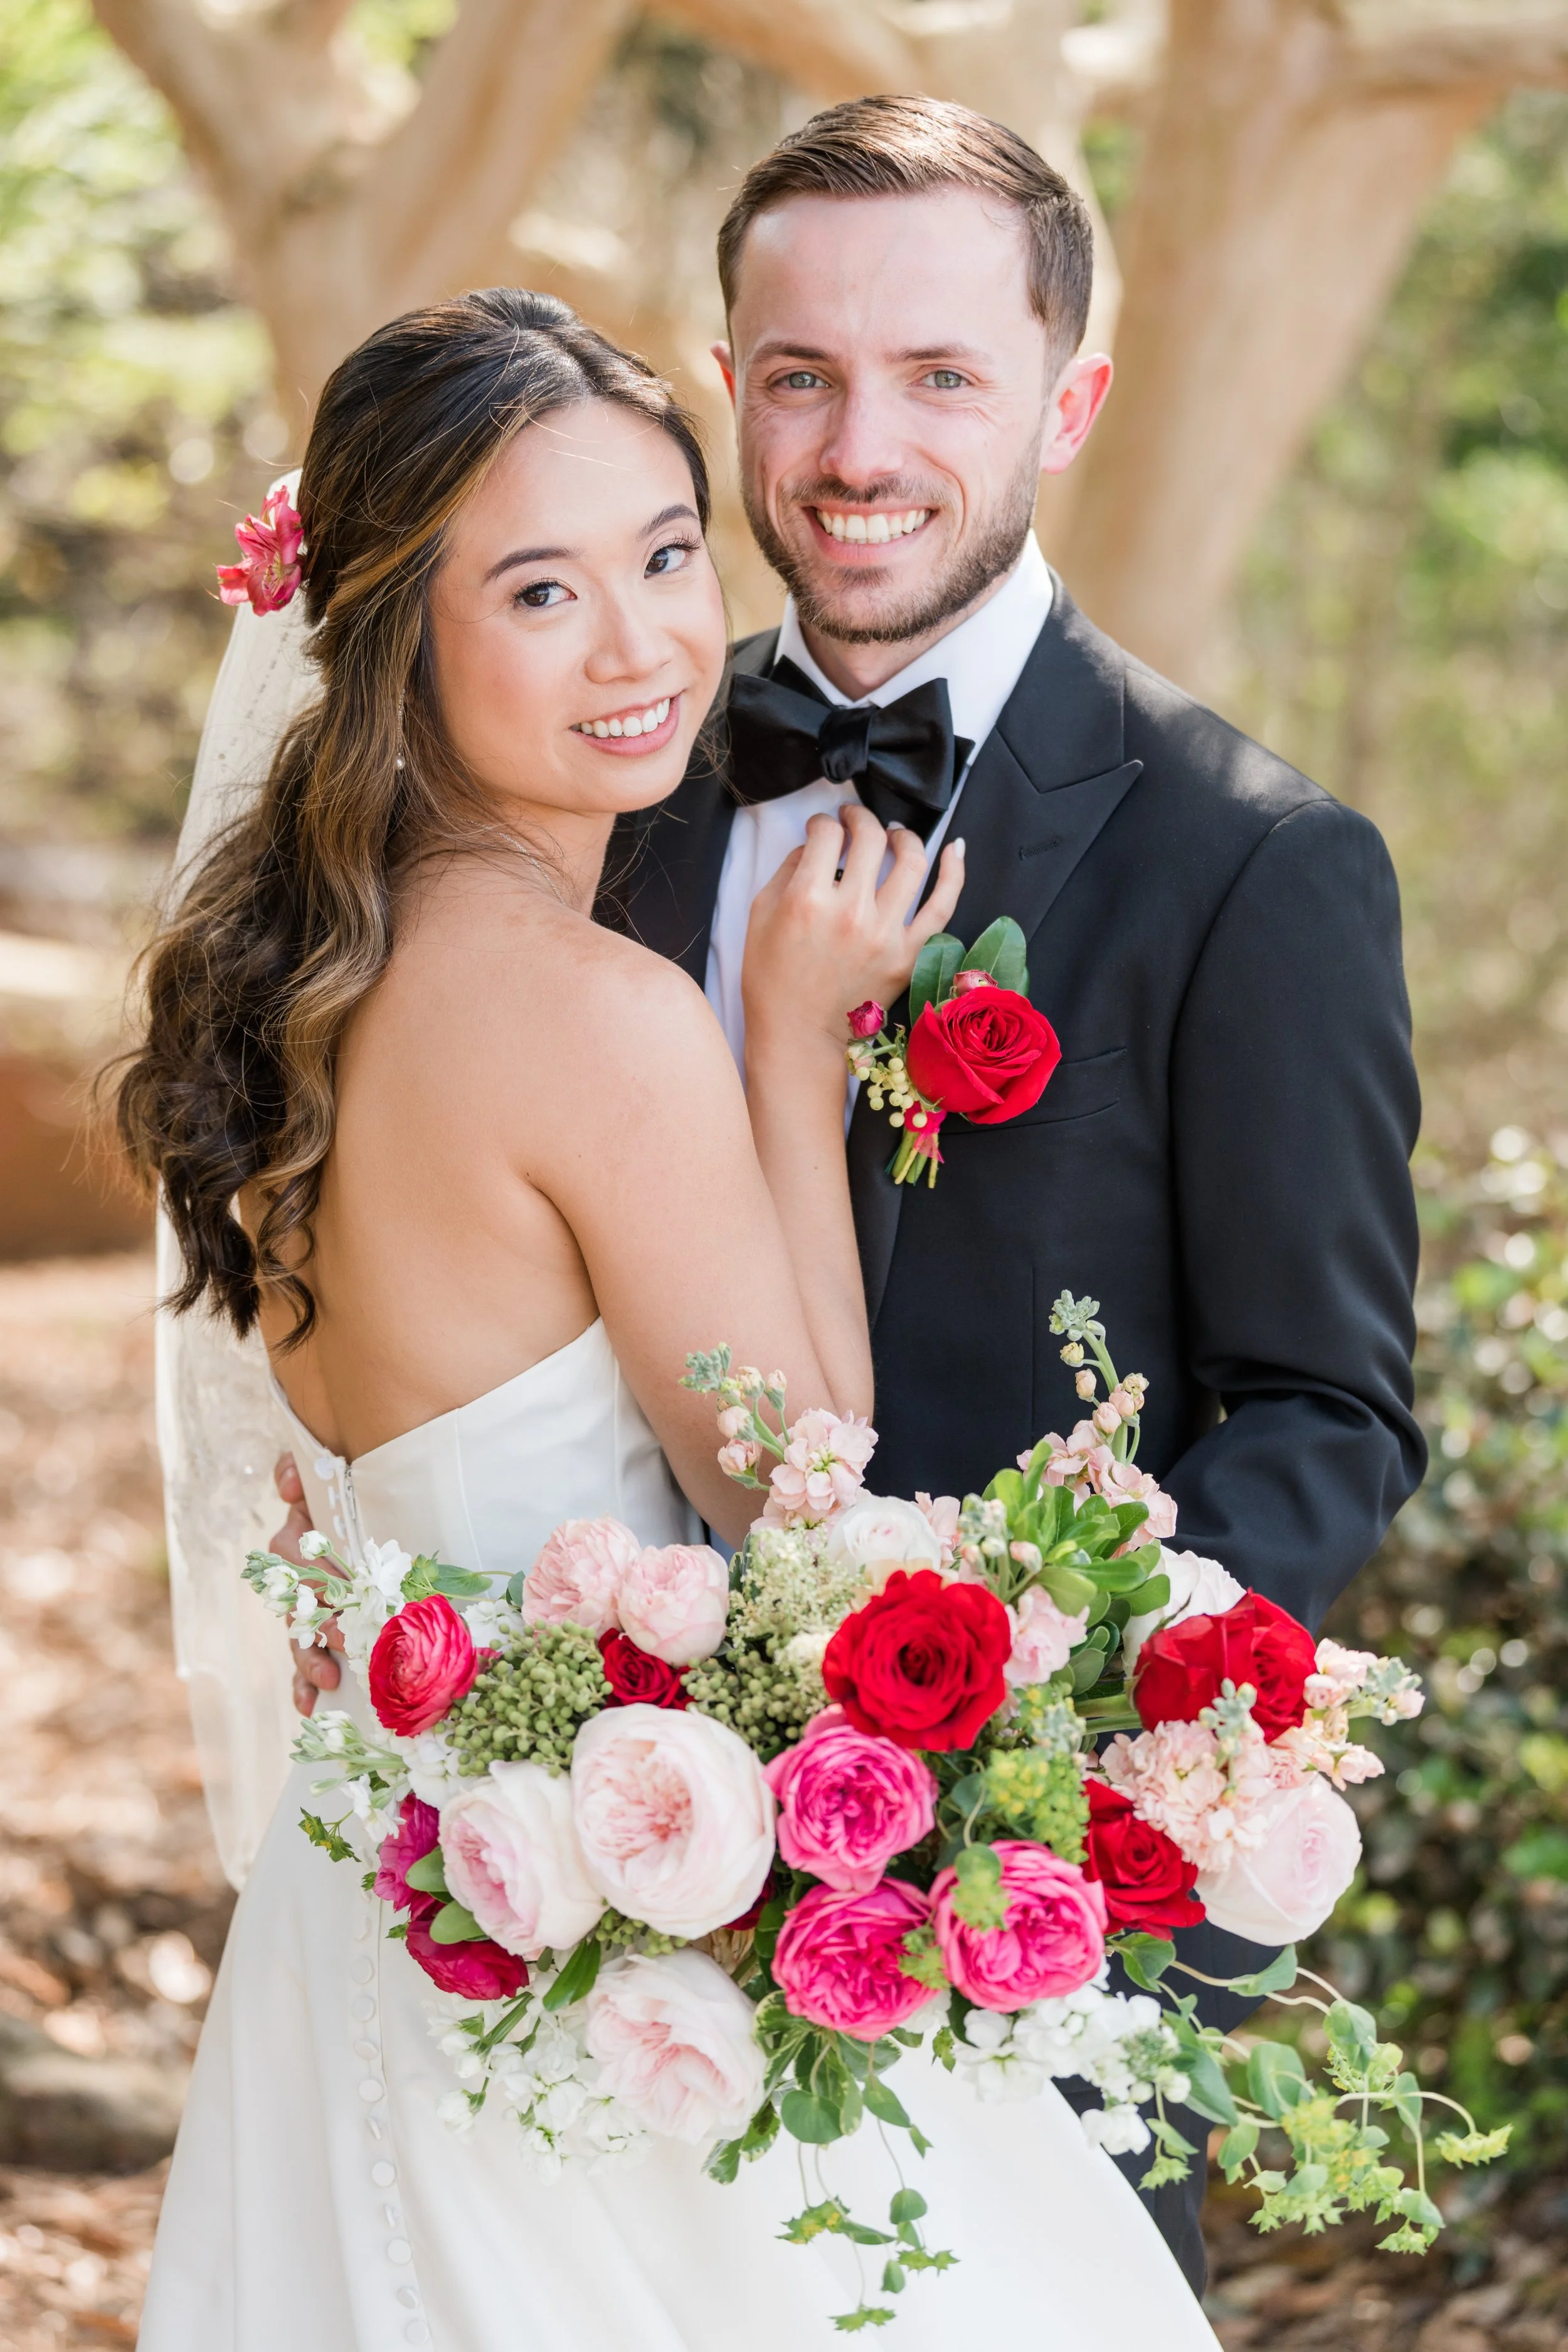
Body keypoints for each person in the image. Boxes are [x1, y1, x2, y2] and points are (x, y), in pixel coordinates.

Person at [124, 287, 1223, 2349]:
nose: (639, 645)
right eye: (541, 590)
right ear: (397, 636)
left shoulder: (303, 986)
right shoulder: (591, 1011)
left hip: (368, 1908)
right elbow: (794, 1478)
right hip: (590, 1944)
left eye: (661, 554)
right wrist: (789, 1049)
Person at [590, 93, 1426, 2292]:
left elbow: (1323, 1412)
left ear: (1069, 398)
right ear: (728, 387)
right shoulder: (597, 786)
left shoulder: (1251, 861)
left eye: (940, 376)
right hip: (585, 1871)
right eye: (800, 376)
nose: (858, 448)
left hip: (1003, 1931)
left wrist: (1029, 1758)